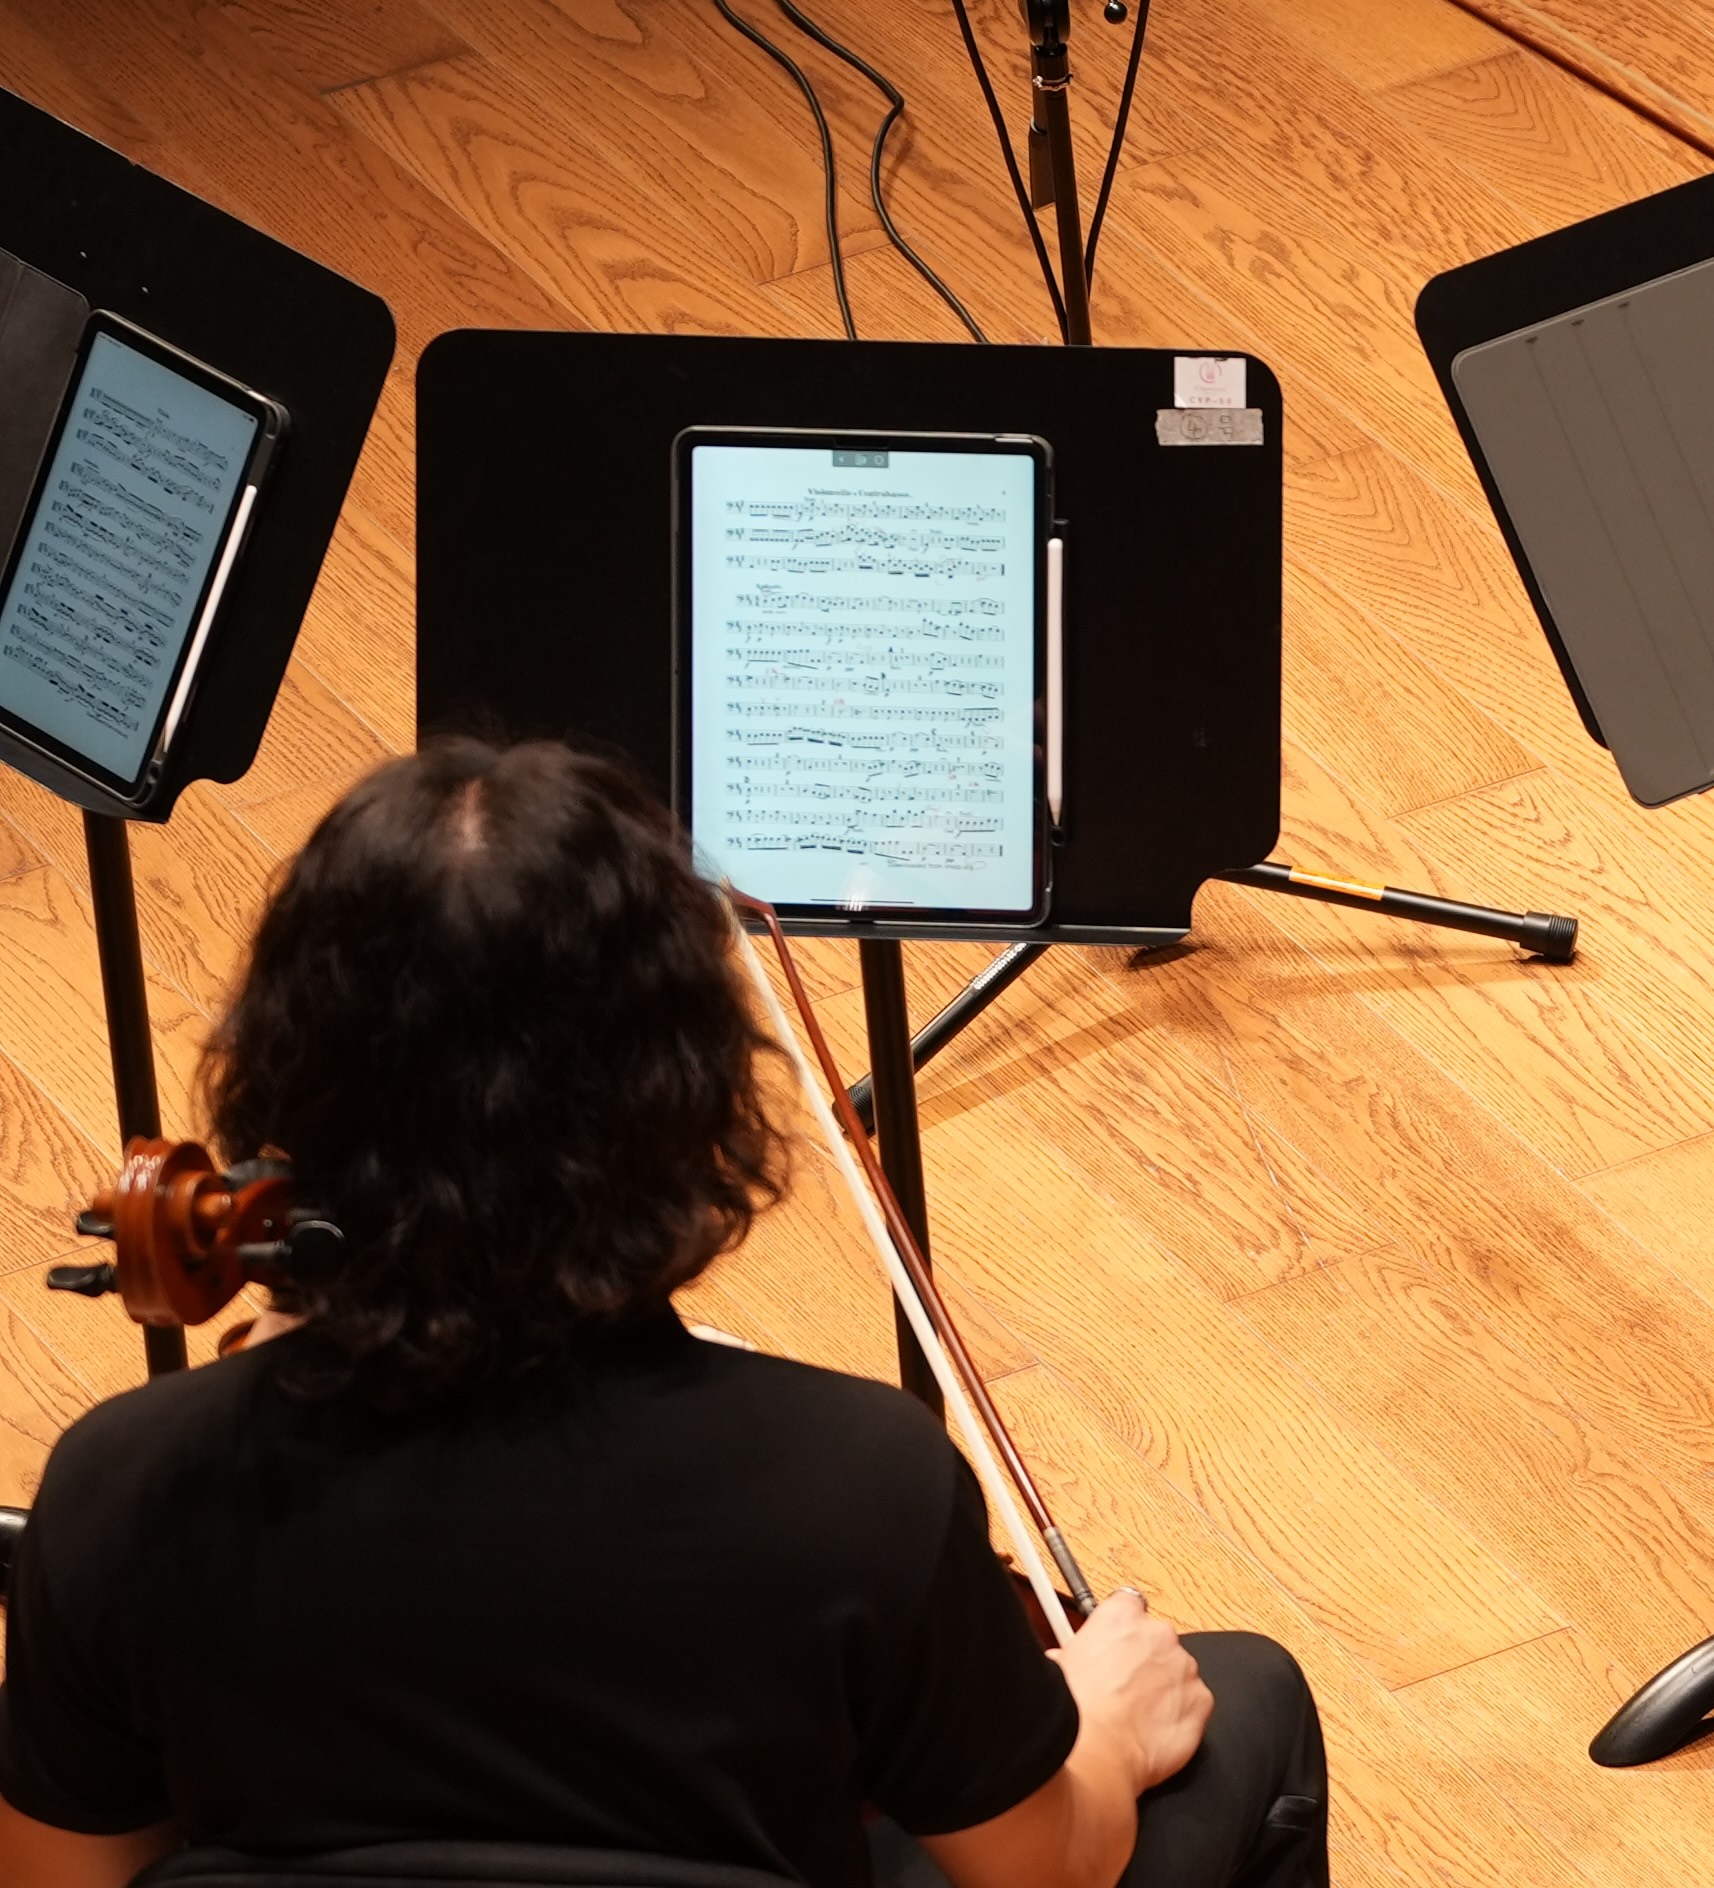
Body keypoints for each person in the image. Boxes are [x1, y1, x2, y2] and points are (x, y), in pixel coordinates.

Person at [0, 740, 1329, 1888]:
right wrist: (1099, 1727)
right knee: (1246, 1694)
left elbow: (59, 1874)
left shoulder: (127, 1486)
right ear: (685, 1097)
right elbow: (1044, 1865)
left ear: (280, 1072)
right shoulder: (855, 1486)